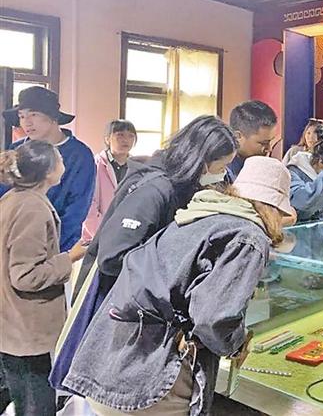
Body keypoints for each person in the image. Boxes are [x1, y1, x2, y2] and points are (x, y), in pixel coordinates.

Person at [62, 157, 295, 416]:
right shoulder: (248, 237)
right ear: (272, 207)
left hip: (109, 358)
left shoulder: (199, 213)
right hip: (152, 380)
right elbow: (214, 319)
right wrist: (236, 343)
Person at [50, 116, 237, 393]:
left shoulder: (178, 185)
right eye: (220, 167)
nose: (222, 175)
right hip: (116, 304)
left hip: (137, 303)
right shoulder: (155, 189)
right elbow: (113, 257)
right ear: (200, 160)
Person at [0, 141, 87, 415]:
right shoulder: (32, 209)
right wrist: (69, 258)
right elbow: (25, 275)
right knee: (36, 406)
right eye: (59, 158)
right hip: (26, 330)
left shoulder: (14, 199)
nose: (64, 163)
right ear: (48, 171)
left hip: (14, 326)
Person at [1, 86, 96, 253]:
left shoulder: (79, 154)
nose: (27, 122)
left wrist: (51, 247)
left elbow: (76, 209)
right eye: (22, 116)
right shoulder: (17, 149)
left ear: (53, 117)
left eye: (33, 114)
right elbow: (4, 194)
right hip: (12, 240)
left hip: (57, 245)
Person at [81, 119, 138, 243]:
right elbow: (89, 205)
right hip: (96, 235)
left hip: (127, 234)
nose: (126, 140)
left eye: (131, 136)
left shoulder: (137, 167)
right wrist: (103, 235)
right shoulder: (95, 164)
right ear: (107, 139)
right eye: (120, 135)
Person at [226, 100, 278, 180]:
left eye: (270, 141)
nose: (269, 149)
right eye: (263, 143)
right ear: (238, 136)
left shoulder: (264, 166)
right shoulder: (220, 172)